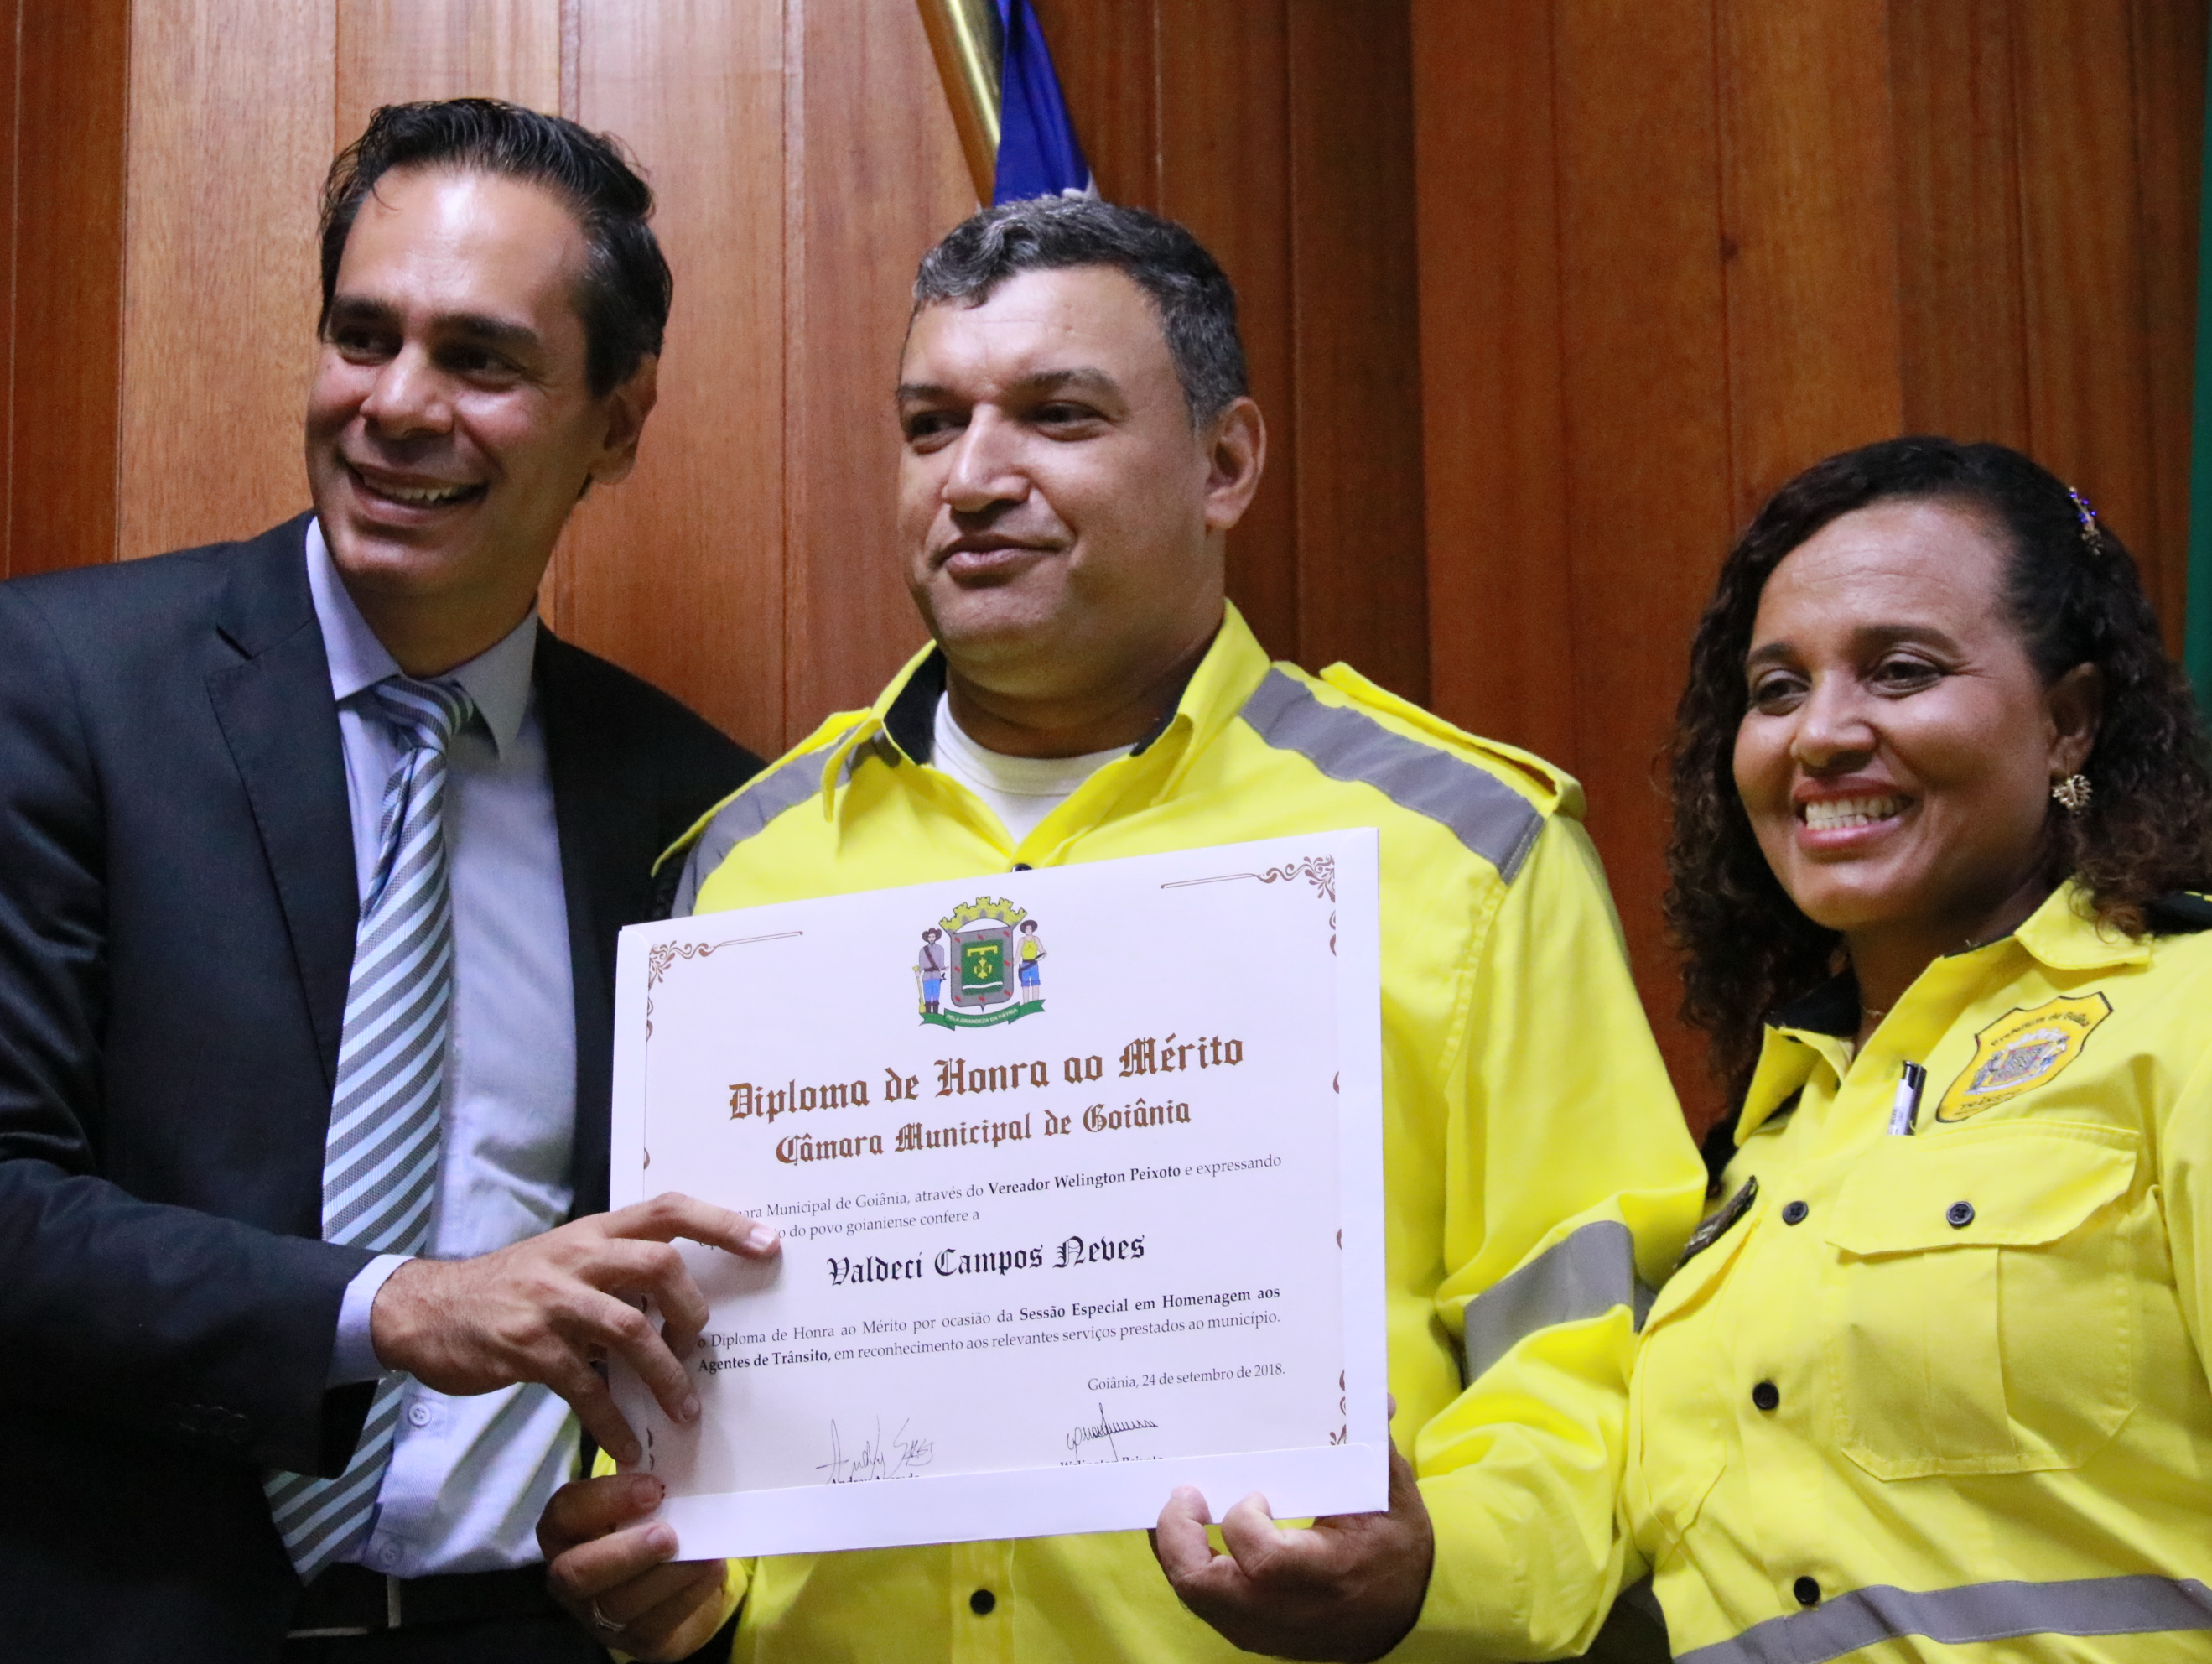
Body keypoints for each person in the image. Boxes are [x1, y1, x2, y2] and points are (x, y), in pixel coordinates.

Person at [535, 197, 1704, 1662]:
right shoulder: (745, 871)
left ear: (1226, 465)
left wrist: (1429, 1575)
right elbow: (682, 1368)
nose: (973, 478)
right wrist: (672, 1579)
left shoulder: (1463, 849)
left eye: (1058, 416)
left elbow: (1588, 1362)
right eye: (930, 424)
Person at [0, 99, 780, 1661]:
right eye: (362, 336)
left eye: (479, 359)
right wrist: (396, 1306)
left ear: (617, 424)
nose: (396, 404)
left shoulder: (696, 807)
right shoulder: (59, 687)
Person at [1631, 436, 2212, 1661]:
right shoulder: (1748, 1159)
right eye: (1777, 689)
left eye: (1901, 672)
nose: (1820, 735)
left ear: (2068, 723)